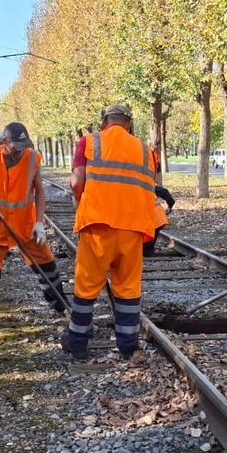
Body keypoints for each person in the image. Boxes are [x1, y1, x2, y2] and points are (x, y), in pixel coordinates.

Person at [63, 104, 156, 359]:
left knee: (86, 286)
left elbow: (76, 181)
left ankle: (78, 343)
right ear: (128, 124)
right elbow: (150, 189)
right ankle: (127, 348)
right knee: (127, 288)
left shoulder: (89, 142)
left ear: (104, 122)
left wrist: (79, 198)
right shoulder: (146, 151)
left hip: (98, 226)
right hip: (133, 228)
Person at [0, 122, 68, 336]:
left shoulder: (32, 157)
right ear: (4, 143)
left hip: (26, 225)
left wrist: (39, 222)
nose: (20, 151)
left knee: (47, 264)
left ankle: (62, 308)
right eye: (16, 146)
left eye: (24, 145)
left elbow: (40, 192)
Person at [143, 187, 172, 257]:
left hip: (152, 218)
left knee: (147, 241)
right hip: (159, 218)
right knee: (150, 240)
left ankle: (147, 252)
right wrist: (170, 206)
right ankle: (148, 252)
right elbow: (167, 195)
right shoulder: (151, 188)